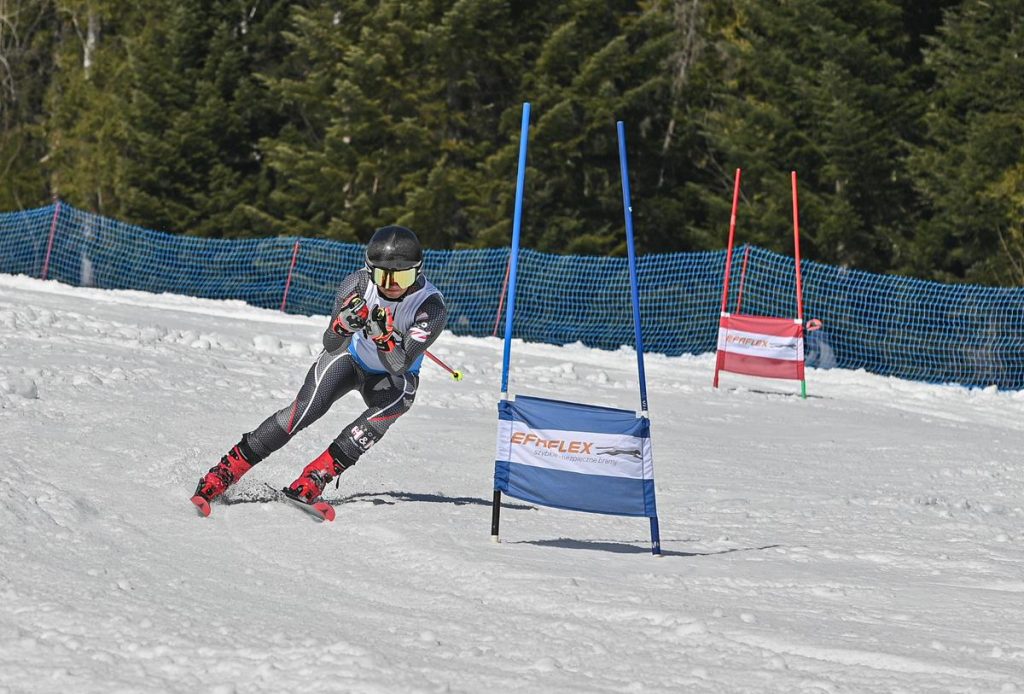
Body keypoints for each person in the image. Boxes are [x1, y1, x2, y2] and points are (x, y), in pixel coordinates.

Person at [190, 225, 448, 516]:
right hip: (350, 358)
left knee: (394, 405)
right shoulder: (357, 284)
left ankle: (314, 478)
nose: (391, 285)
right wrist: (342, 326)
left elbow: (398, 364)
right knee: (303, 410)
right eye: (382, 275)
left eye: (402, 277)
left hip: (393, 375)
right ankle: (225, 471)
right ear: (369, 270)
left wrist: (384, 339)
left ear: (417, 272)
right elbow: (331, 342)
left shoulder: (431, 307)